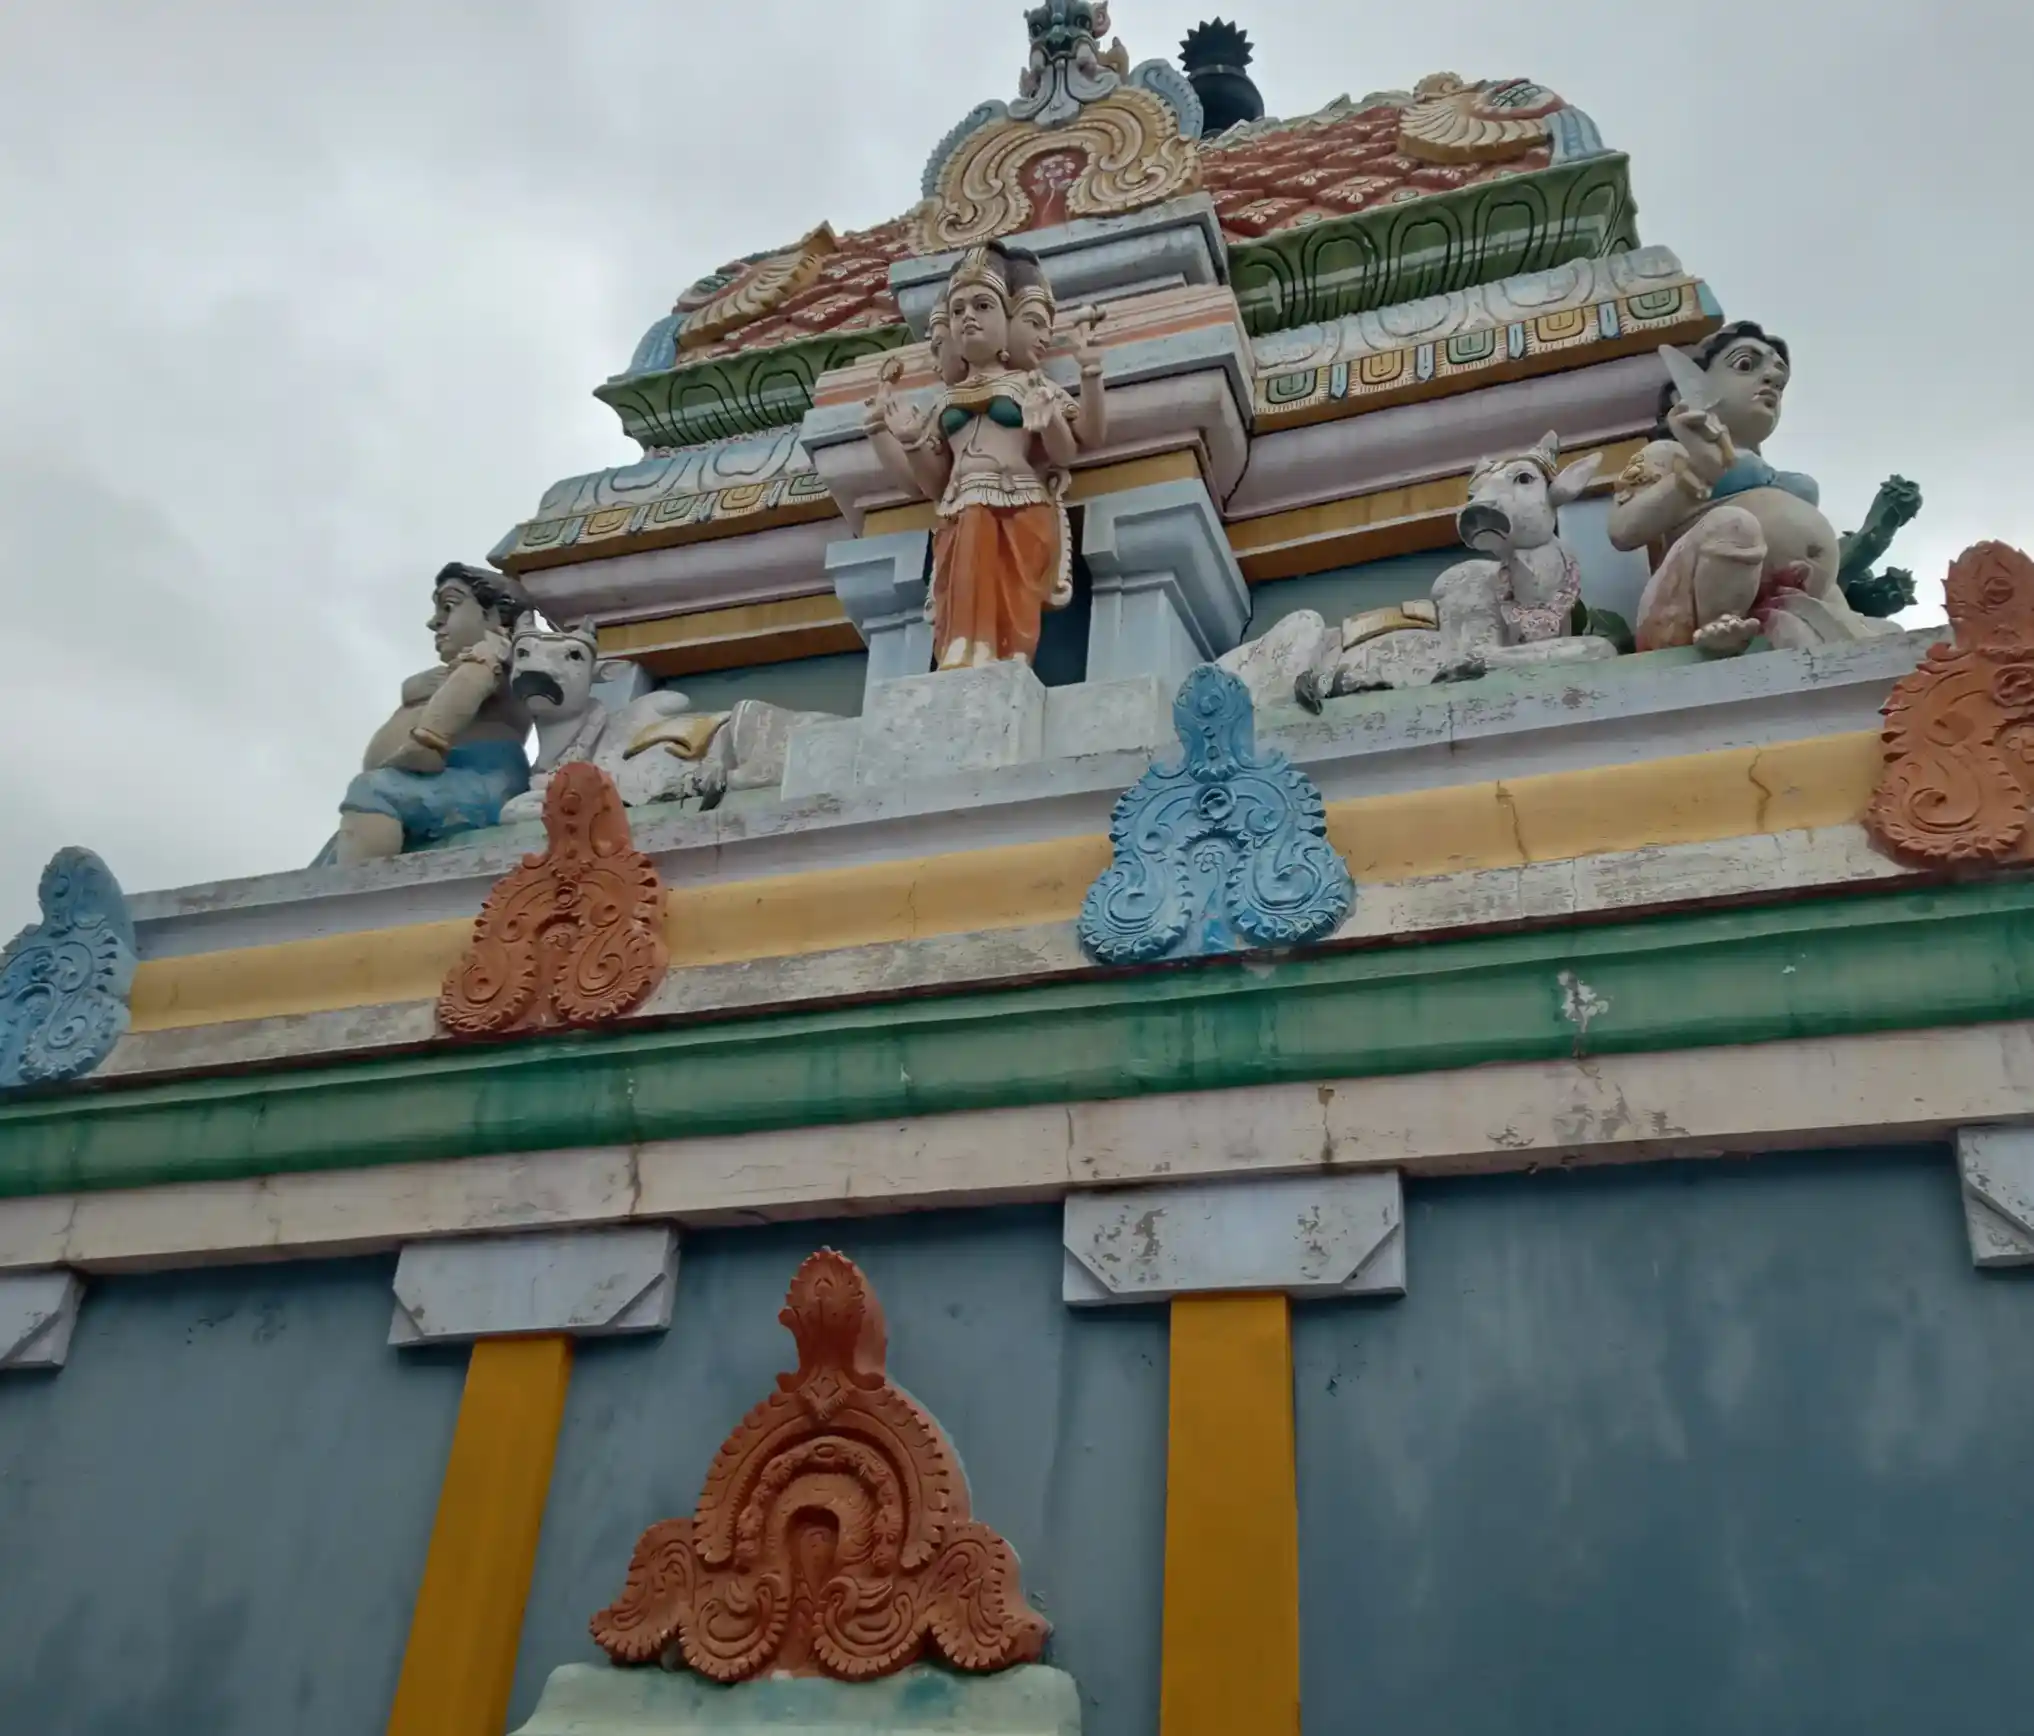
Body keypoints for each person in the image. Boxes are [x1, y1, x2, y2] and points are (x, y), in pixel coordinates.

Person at [863, 241, 1108, 671]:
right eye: (957, 311)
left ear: (1011, 320)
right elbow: (928, 484)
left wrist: (1084, 377)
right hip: (961, 506)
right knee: (963, 575)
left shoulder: (1027, 386)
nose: (968, 318)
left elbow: (1077, 443)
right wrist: (895, 437)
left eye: (981, 305)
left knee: (1010, 596)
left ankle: (1007, 654)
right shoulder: (945, 401)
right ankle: (964, 649)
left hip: (1018, 504)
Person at [333, 562, 533, 865]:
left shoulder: (498, 654)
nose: (434, 622)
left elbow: (472, 682)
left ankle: (355, 905)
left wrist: (429, 743)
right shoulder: (455, 670)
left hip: (485, 780)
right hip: (440, 779)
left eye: (448, 607)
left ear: (493, 616)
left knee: (372, 792)